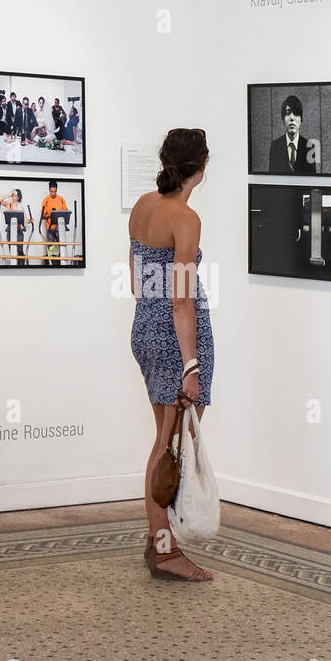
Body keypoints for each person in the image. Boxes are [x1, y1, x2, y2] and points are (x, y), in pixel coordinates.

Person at [129, 127, 214, 581]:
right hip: (175, 334)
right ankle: (165, 551)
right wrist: (191, 365)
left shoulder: (143, 206)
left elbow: (136, 282)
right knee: (170, 445)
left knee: (164, 441)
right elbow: (181, 300)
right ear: (200, 168)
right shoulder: (185, 218)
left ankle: (157, 539)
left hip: (145, 324)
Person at [268, 94, 313, 173]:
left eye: (296, 113)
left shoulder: (310, 147)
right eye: (288, 113)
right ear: (283, 119)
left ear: (301, 119)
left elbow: (313, 180)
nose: (292, 118)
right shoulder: (275, 146)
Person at [39, 180, 69, 265]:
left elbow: (65, 211)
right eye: (52, 191)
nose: (53, 193)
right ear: (49, 190)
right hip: (50, 228)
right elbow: (43, 216)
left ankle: (62, 261)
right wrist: (50, 215)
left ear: (57, 190)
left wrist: (60, 213)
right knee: (51, 246)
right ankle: (50, 261)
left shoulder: (61, 199)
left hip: (60, 227)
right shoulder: (46, 200)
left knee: (62, 245)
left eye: (55, 191)